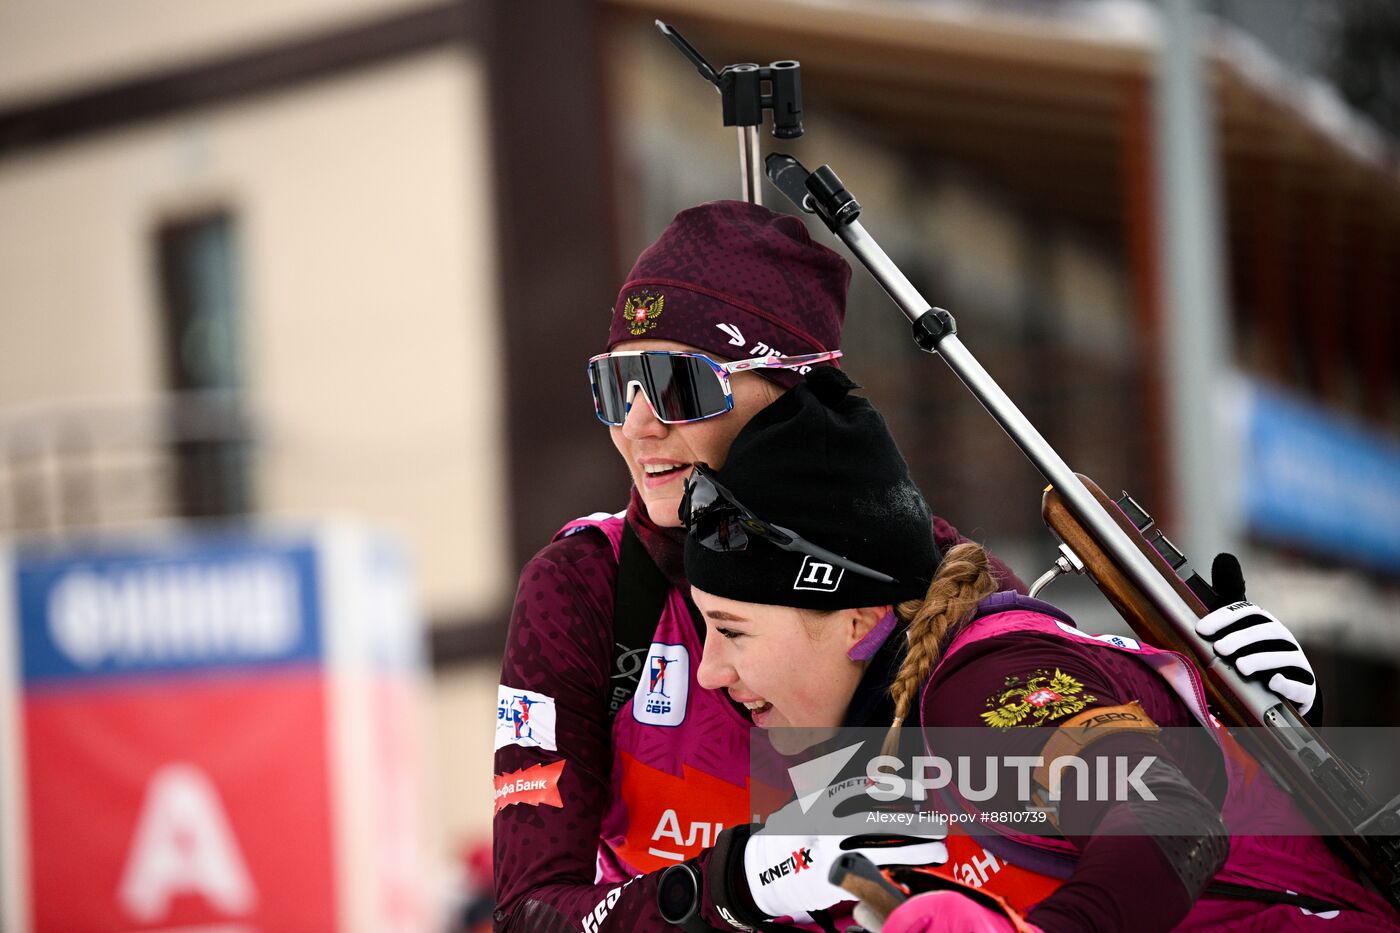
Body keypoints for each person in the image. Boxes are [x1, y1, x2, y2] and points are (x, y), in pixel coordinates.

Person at [670, 367, 1396, 932]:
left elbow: (1167, 818)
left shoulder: (982, 689)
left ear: (858, 622)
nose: (709, 671)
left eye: (733, 629)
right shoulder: (870, 746)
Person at [492, 201, 1027, 933]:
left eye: (678, 383)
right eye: (618, 387)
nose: (641, 424)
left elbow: (1131, 814)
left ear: (792, 388)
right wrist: (732, 883)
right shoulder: (587, 586)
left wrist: (1200, 691)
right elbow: (530, 912)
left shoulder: (922, 573)